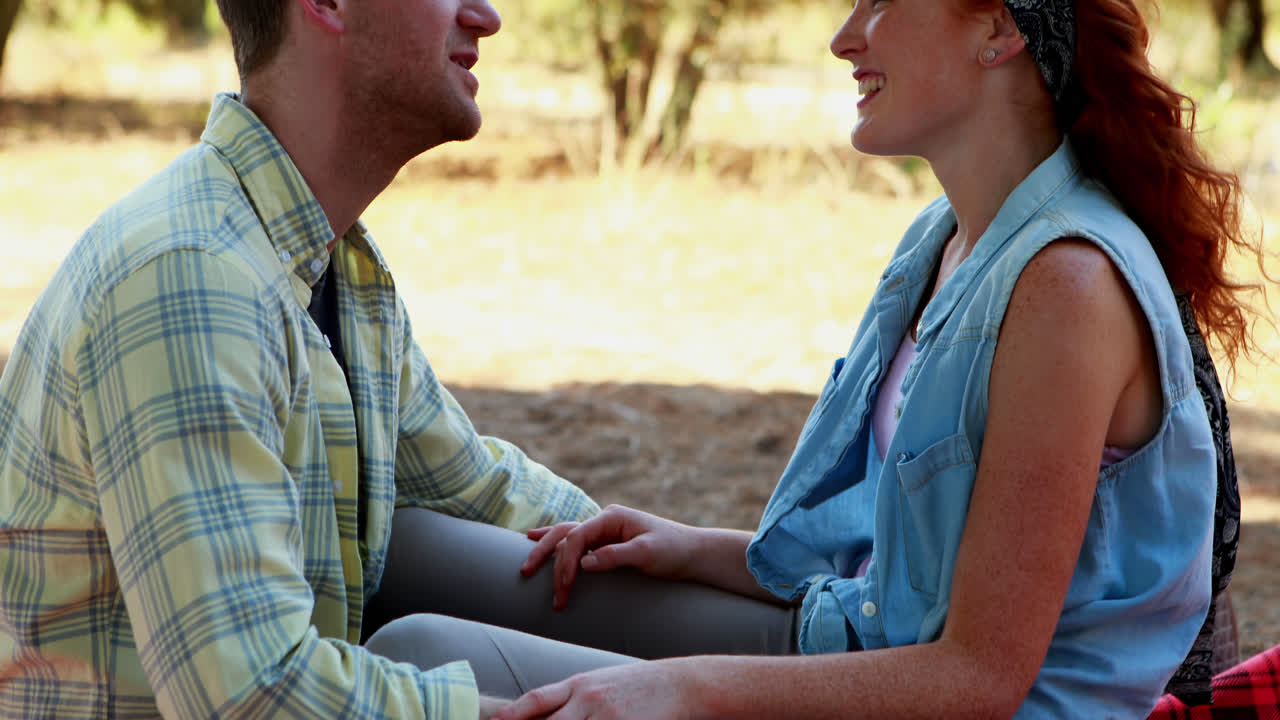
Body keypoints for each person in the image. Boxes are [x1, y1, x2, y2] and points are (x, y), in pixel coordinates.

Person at [357, 0, 1265, 716]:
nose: (844, 37)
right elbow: (910, 569)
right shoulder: (947, 240)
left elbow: (980, 680)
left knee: (420, 654)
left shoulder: (1066, 288)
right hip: (859, 643)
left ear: (998, 29)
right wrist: (694, 549)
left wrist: (686, 691)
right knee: (406, 550)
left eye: (880, 1)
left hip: (944, 700)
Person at [0, 1, 602, 718]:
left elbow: (479, 491)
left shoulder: (329, 261)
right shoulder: (193, 275)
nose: (486, 15)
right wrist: (582, 709)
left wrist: (683, 556)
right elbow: (255, 696)